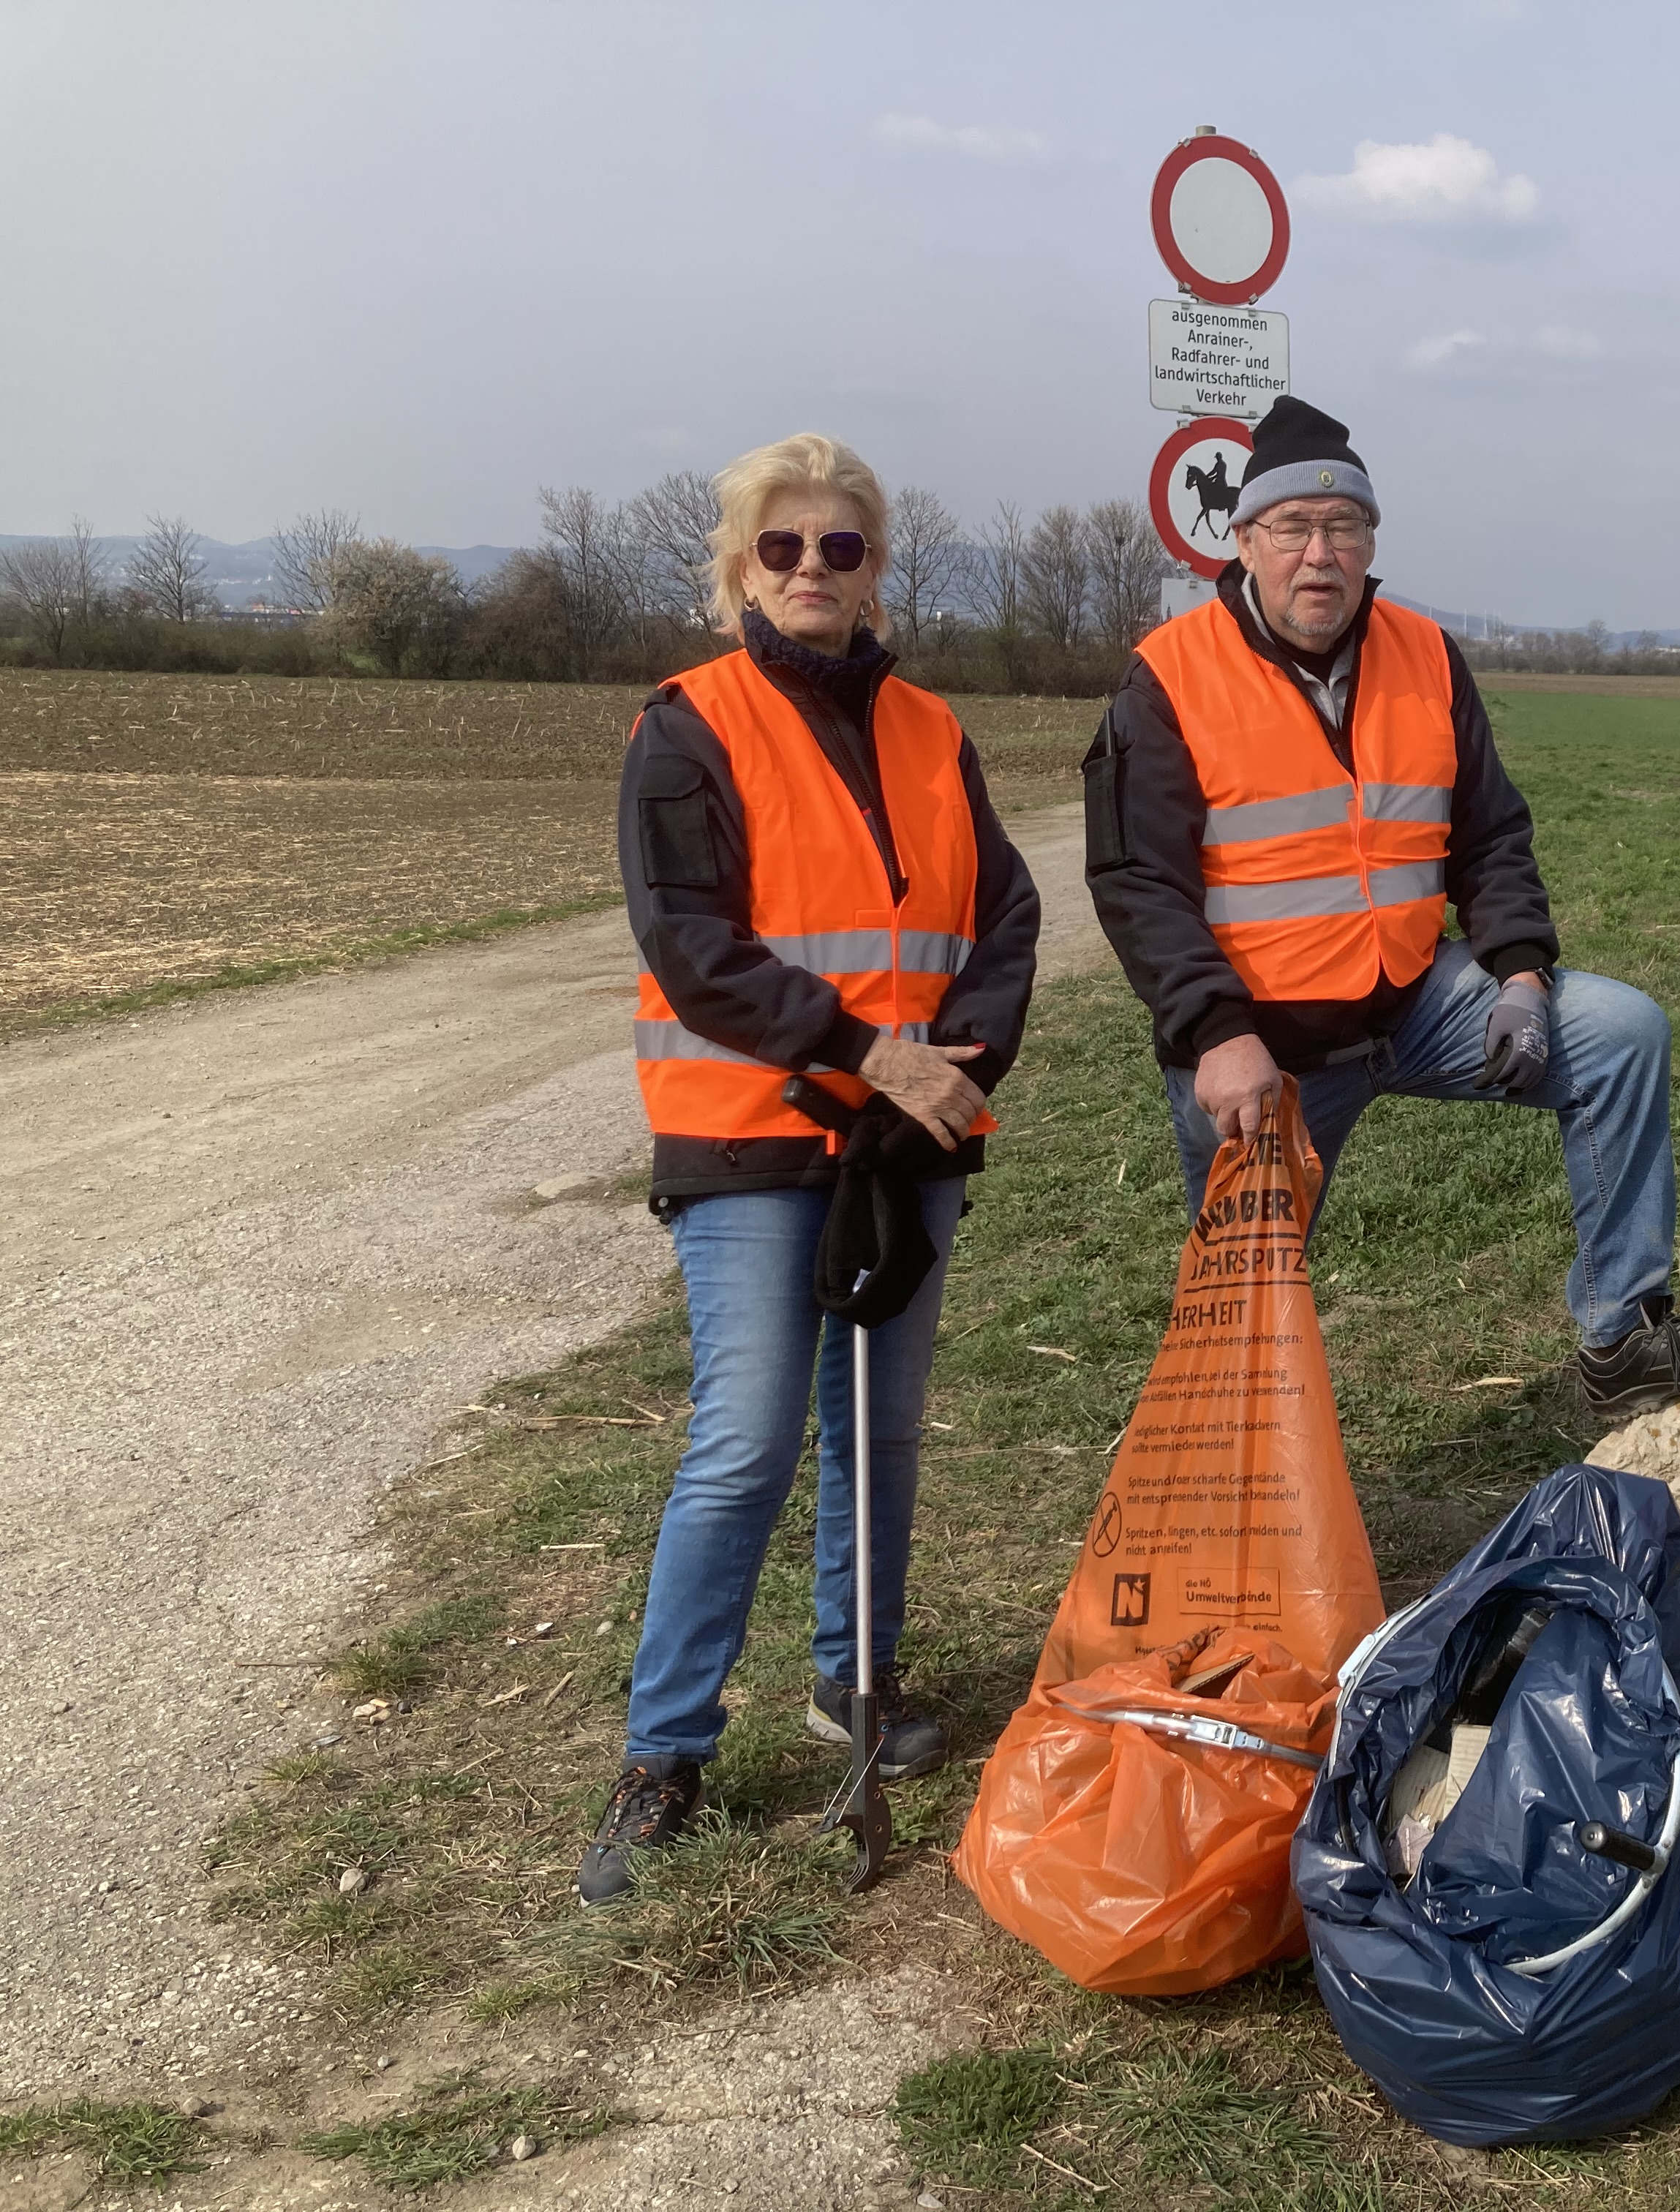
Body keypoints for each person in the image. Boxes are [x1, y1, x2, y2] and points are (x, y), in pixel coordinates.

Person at [1083, 396, 1680, 1414]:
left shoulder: (1426, 654)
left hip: (1414, 1002)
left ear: (1371, 540)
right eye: (1293, 528)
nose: (1320, 555)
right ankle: (1234, 1505)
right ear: (1242, 543)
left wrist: (1522, 978)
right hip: (1262, 1045)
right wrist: (1215, 1033)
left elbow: (1491, 836)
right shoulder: (1169, 679)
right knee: (1243, 1316)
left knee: (1622, 1034)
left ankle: (1622, 1335)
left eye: (1345, 528)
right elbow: (1139, 885)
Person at [584, 434, 1039, 1903]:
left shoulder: (929, 727)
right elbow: (693, 945)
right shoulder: (687, 728)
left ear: (875, 570)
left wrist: (954, 1063)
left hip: (909, 1139)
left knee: (883, 1428)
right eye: (784, 547)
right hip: (751, 1139)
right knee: (748, 1444)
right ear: (737, 569)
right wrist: (867, 1049)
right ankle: (666, 1753)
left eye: (841, 547)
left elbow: (1007, 916)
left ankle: (860, 1679)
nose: (812, 570)